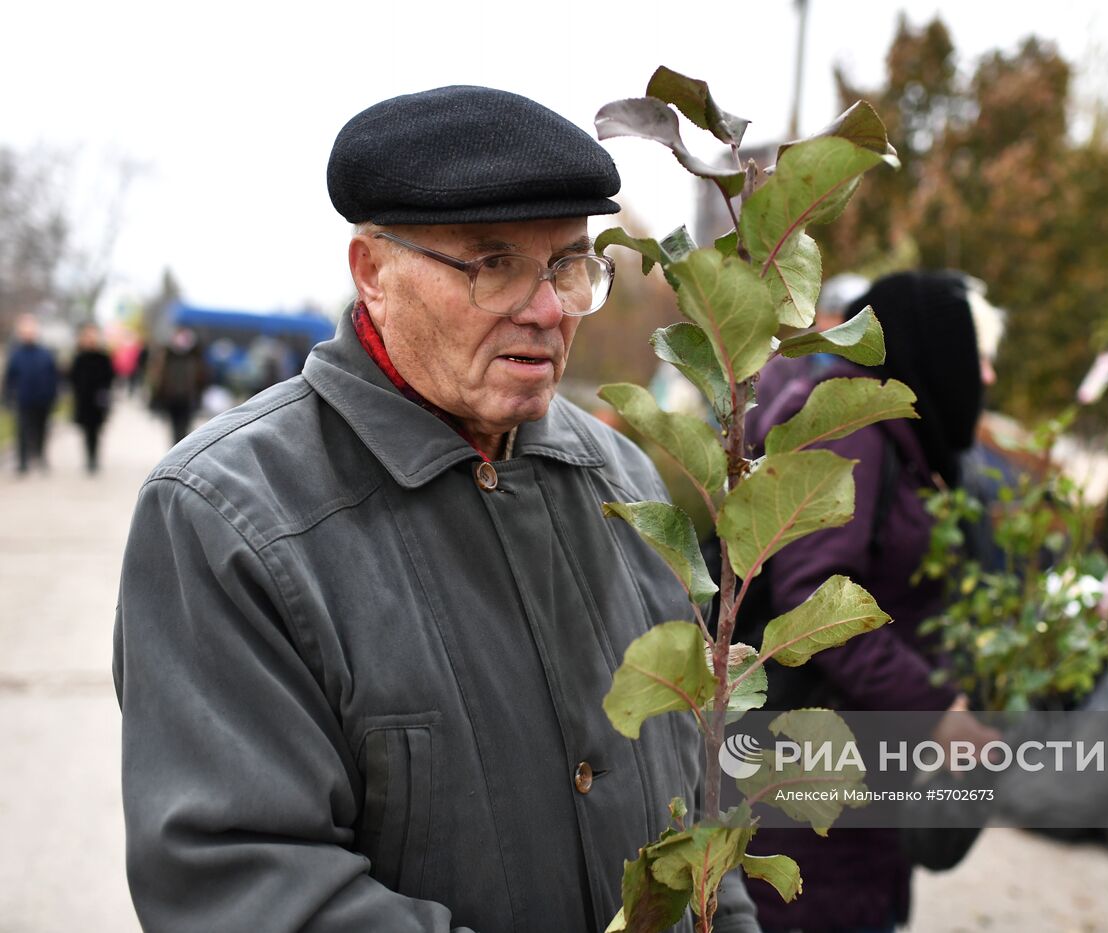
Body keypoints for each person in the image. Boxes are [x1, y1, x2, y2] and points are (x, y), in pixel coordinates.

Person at [113, 86, 758, 933]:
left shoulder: (623, 480)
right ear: (372, 273)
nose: (546, 308)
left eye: (567, 264)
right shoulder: (225, 518)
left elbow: (702, 802)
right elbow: (248, 884)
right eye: (492, 265)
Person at [742, 271, 994, 933]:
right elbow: (816, 605)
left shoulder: (898, 442)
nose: (982, 377)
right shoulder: (848, 431)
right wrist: (936, 708)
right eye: (973, 355)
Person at [3, 313, 59, 475]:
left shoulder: (45, 353)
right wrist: (7, 397)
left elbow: (52, 375)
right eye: (25, 329)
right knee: (22, 430)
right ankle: (22, 462)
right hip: (23, 398)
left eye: (31, 329)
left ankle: (41, 457)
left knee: (42, 429)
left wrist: (53, 394)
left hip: (43, 398)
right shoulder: (15, 354)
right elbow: (10, 378)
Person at [69, 322, 116, 473]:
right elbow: (72, 377)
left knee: (96, 430)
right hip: (83, 400)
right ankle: (88, 458)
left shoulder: (103, 357)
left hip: (98, 400)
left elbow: (110, 376)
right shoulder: (79, 357)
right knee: (86, 431)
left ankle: (95, 458)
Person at [148, 326, 207, 444]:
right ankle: (176, 449)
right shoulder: (167, 356)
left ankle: (182, 448)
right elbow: (158, 378)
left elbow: (201, 379)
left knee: (185, 427)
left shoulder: (195, 357)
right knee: (174, 427)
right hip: (172, 398)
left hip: (188, 398)